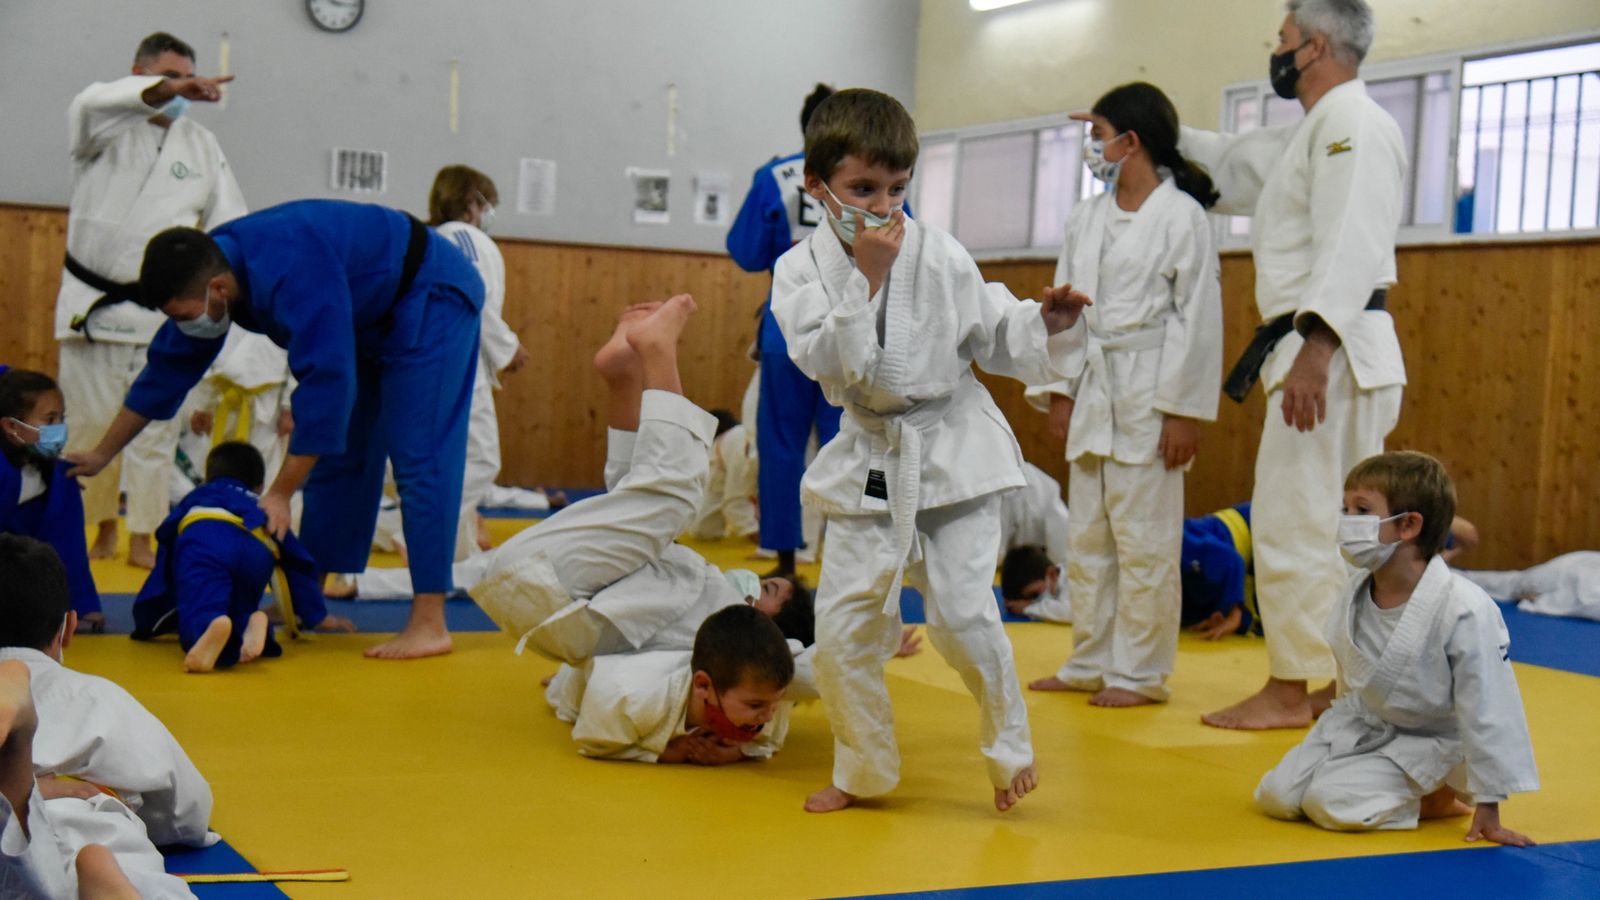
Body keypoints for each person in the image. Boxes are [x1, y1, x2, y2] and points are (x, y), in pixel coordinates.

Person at [772, 88, 1090, 813]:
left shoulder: (940, 253)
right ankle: (863, 771)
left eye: (896, 188)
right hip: (873, 460)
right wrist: (868, 282)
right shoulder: (797, 272)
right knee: (845, 624)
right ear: (817, 187)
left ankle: (1009, 751)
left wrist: (1048, 322)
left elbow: (996, 334)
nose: (883, 205)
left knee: (960, 614)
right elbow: (829, 362)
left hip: (952, 452)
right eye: (862, 189)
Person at [65, 199, 485, 660]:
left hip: (431, 293)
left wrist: (281, 492)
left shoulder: (288, 267)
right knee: (339, 456)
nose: (186, 324)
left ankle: (430, 622)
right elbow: (163, 373)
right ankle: (310, 600)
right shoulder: (208, 271)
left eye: (187, 315)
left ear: (219, 289)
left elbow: (327, 384)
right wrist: (102, 454)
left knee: (419, 456)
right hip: (369, 309)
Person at [1179, 0, 1408, 729]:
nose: (1274, 51)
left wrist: (1316, 345)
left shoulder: (1354, 125)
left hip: (1330, 353)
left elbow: (1354, 242)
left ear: (1313, 46)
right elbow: (1232, 165)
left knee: (1296, 521)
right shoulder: (1317, 130)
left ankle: (1291, 690)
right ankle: (1330, 688)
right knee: (1321, 527)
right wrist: (1143, 127)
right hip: (1328, 350)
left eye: (1282, 39)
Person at [471, 299, 815, 668]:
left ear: (769, 633)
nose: (753, 582)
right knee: (637, 503)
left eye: (766, 590)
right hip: (542, 594)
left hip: (549, 587)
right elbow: (622, 662)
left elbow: (807, 667)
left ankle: (657, 350)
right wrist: (576, 678)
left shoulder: (736, 641)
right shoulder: (694, 621)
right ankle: (625, 377)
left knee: (673, 501)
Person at [1024, 82, 1223, 708]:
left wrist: (1185, 411)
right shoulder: (1086, 217)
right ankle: (1090, 660)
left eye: (1098, 134)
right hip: (1093, 388)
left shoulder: (1182, 215)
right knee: (1086, 539)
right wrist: (1060, 391)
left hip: (1150, 391)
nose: (1091, 146)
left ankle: (1138, 673)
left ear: (1129, 142)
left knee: (1146, 544)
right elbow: (1062, 308)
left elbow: (1198, 317)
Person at [1255, 452, 1539, 846]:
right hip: (1366, 724)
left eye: (1362, 509)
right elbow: (1352, 681)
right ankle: (1387, 784)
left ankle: (1437, 797)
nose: (1347, 520)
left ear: (1408, 525)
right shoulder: (1355, 590)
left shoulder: (1464, 608)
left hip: (1432, 740)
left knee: (1330, 803)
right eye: (1345, 507)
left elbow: (1489, 704)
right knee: (1276, 796)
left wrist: (1489, 805)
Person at [55, 31, 246, 570]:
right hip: (92, 304)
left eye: (188, 77)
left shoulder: (202, 146)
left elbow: (229, 221)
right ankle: (99, 527)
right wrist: (162, 90)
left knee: (156, 431)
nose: (181, 88)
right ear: (137, 75)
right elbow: (90, 101)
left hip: (165, 310)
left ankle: (144, 532)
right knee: (89, 424)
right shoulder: (102, 126)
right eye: (169, 76)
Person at [0, 534, 212, 897]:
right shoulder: (98, 696)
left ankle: (18, 793)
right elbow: (186, 810)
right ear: (67, 629)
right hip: (91, 822)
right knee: (136, 874)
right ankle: (101, 877)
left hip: (9, 821)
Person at [728, 83, 843, 576]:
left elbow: (747, 250)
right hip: (849, 336)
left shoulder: (774, 176)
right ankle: (847, 554)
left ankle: (784, 562)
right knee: (849, 447)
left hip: (788, 334)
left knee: (780, 445)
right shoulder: (873, 172)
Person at [132, 442, 354, 673]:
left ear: (209, 477)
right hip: (256, 550)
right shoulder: (264, 505)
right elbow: (297, 559)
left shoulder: (199, 495)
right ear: (259, 486)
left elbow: (166, 535)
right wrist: (316, 613)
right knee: (239, 608)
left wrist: (149, 614)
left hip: (207, 543)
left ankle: (204, 641)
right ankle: (250, 625)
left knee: (202, 607)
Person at [428, 165, 530, 558]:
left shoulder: (436, 237)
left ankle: (458, 550)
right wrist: (507, 347)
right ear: (472, 201)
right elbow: (475, 299)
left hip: (439, 363)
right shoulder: (465, 238)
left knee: (448, 459)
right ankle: (421, 534)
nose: (491, 211)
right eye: (490, 202)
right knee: (482, 461)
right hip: (458, 365)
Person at [549, 604, 796, 765]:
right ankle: (557, 676)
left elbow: (769, 742)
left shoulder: (766, 692)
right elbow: (592, 741)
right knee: (574, 674)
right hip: (594, 673)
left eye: (776, 702)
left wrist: (736, 753)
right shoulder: (629, 698)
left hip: (673, 645)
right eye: (756, 705)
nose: (767, 715)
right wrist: (665, 753)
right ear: (702, 685)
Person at [1004, 502, 1259, 638]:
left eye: (1037, 595)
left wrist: (1234, 611)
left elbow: (1230, 559)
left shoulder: (1162, 546)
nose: (1042, 602)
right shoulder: (1079, 570)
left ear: (1050, 574)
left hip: (1249, 526)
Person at [0, 367, 102, 631]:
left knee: (65, 483)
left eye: (61, 418)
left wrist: (78, 603)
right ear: (12, 426)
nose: (59, 428)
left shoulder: (53, 473)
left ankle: (73, 600)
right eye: (49, 419)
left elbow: (67, 540)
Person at [995, 462, 1072, 623]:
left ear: (1051, 573)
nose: (1037, 601)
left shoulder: (1073, 575)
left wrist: (1028, 608)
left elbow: (1069, 611)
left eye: (1035, 595)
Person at [1460, 551, 1600, 623]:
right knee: (1516, 583)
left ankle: (1458, 576)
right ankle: (1458, 575)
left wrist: (1543, 600)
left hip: (1577, 577)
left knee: (1515, 584)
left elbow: (1587, 603)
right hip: (1575, 568)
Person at [685, 409, 760, 543]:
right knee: (704, 530)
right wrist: (755, 534)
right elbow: (734, 500)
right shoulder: (739, 451)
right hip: (724, 457)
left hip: (743, 447)